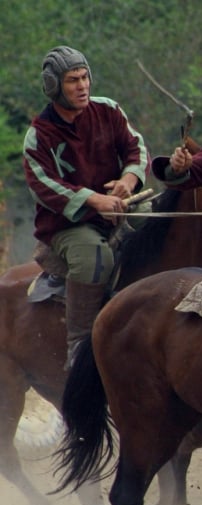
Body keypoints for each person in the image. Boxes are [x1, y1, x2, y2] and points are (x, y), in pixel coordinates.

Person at [22, 45, 149, 369]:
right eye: (72, 80)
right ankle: (79, 344)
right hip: (69, 227)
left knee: (160, 223)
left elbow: (136, 149)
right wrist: (94, 199)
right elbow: (44, 185)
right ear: (54, 87)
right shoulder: (39, 135)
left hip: (120, 207)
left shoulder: (109, 110)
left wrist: (128, 180)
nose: (82, 86)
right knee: (95, 257)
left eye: (85, 77)